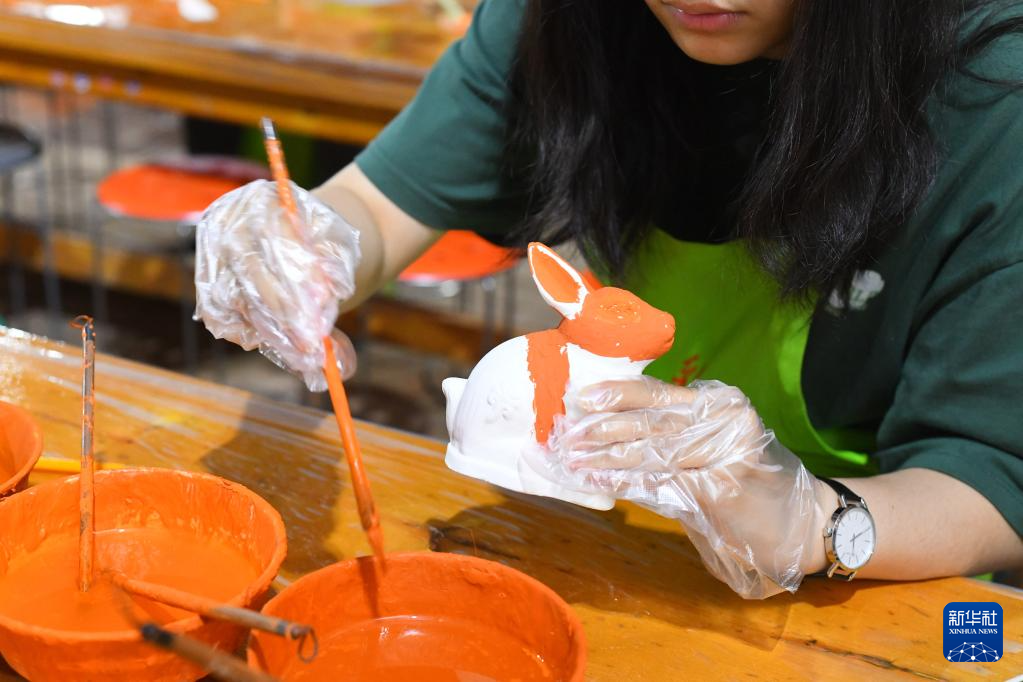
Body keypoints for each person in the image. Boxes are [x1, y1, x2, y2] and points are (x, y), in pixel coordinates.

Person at [195, 0, 1023, 598]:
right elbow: (379, 207)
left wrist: (809, 523)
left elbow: (991, 483)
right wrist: (302, 246)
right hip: (629, 541)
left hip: (882, 570)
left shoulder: (991, 95)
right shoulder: (571, 21)